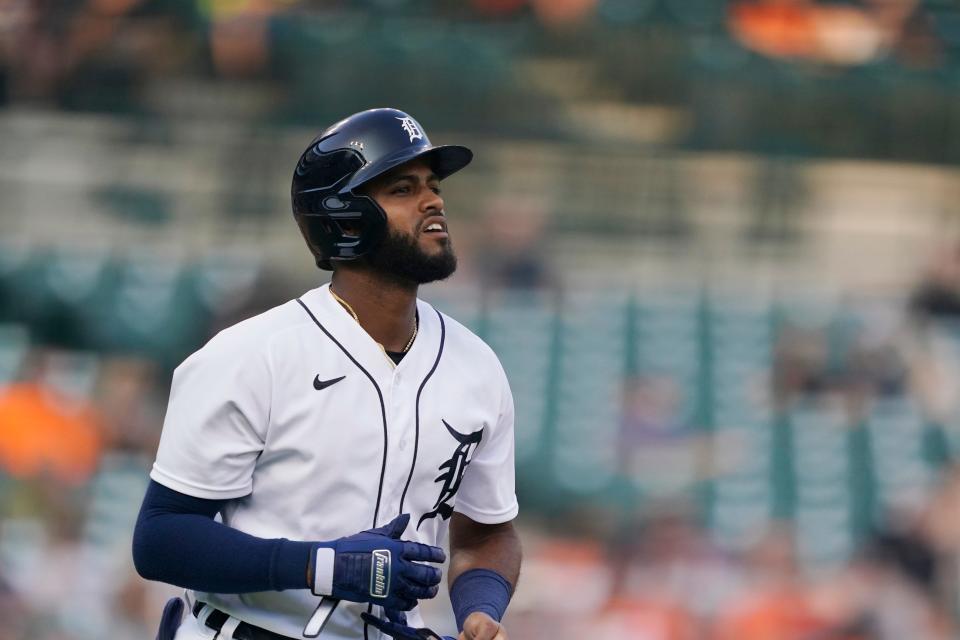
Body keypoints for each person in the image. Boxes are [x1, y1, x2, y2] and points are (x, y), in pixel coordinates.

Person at [132, 108, 522, 640]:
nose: (434, 201)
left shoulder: (477, 367)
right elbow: (162, 538)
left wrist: (481, 609)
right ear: (343, 217)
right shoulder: (253, 354)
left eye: (433, 185)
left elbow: (485, 533)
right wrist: (321, 565)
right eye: (403, 189)